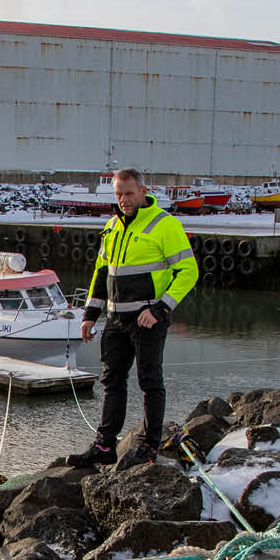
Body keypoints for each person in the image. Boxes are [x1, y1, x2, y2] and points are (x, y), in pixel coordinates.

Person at [67, 169, 198, 467]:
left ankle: (149, 446)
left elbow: (189, 271)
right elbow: (102, 273)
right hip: (116, 320)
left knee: (150, 382)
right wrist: (90, 315)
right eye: (118, 194)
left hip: (148, 320)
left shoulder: (165, 225)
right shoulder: (112, 227)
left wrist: (161, 309)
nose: (123, 200)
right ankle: (105, 446)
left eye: (128, 193)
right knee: (112, 381)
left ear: (143, 191)